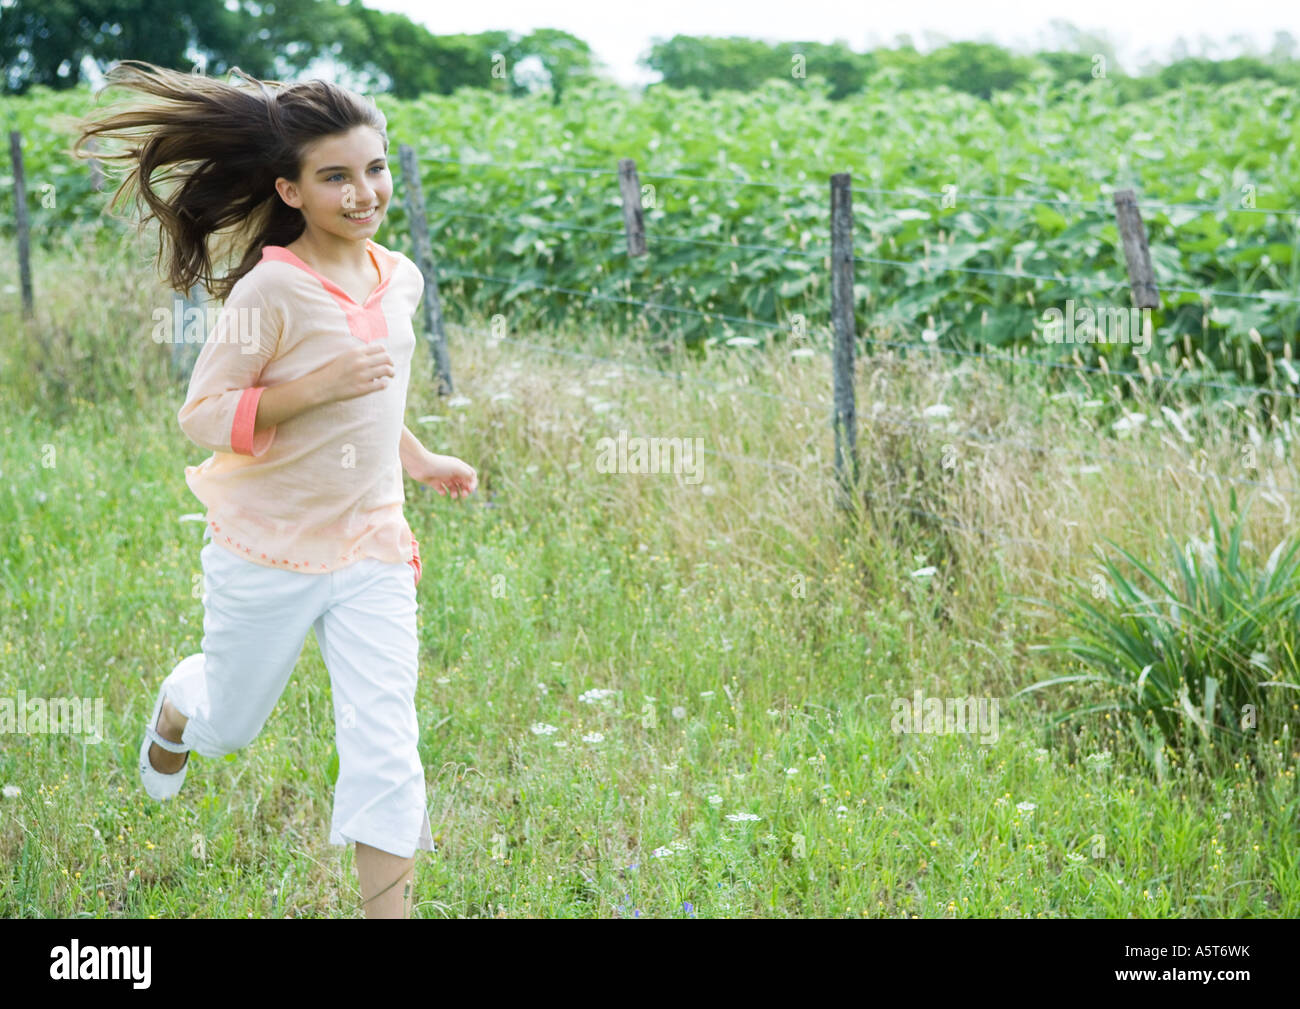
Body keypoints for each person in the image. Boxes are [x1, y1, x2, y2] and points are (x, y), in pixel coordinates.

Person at [73, 60, 478, 919]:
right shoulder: (270, 288)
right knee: (234, 726)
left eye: (374, 168)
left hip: (370, 543)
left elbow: (377, 393)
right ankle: (183, 702)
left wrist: (417, 458)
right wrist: (315, 386)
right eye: (335, 175)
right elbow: (205, 413)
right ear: (290, 189)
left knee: (385, 739)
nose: (363, 192)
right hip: (268, 548)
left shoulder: (397, 275)